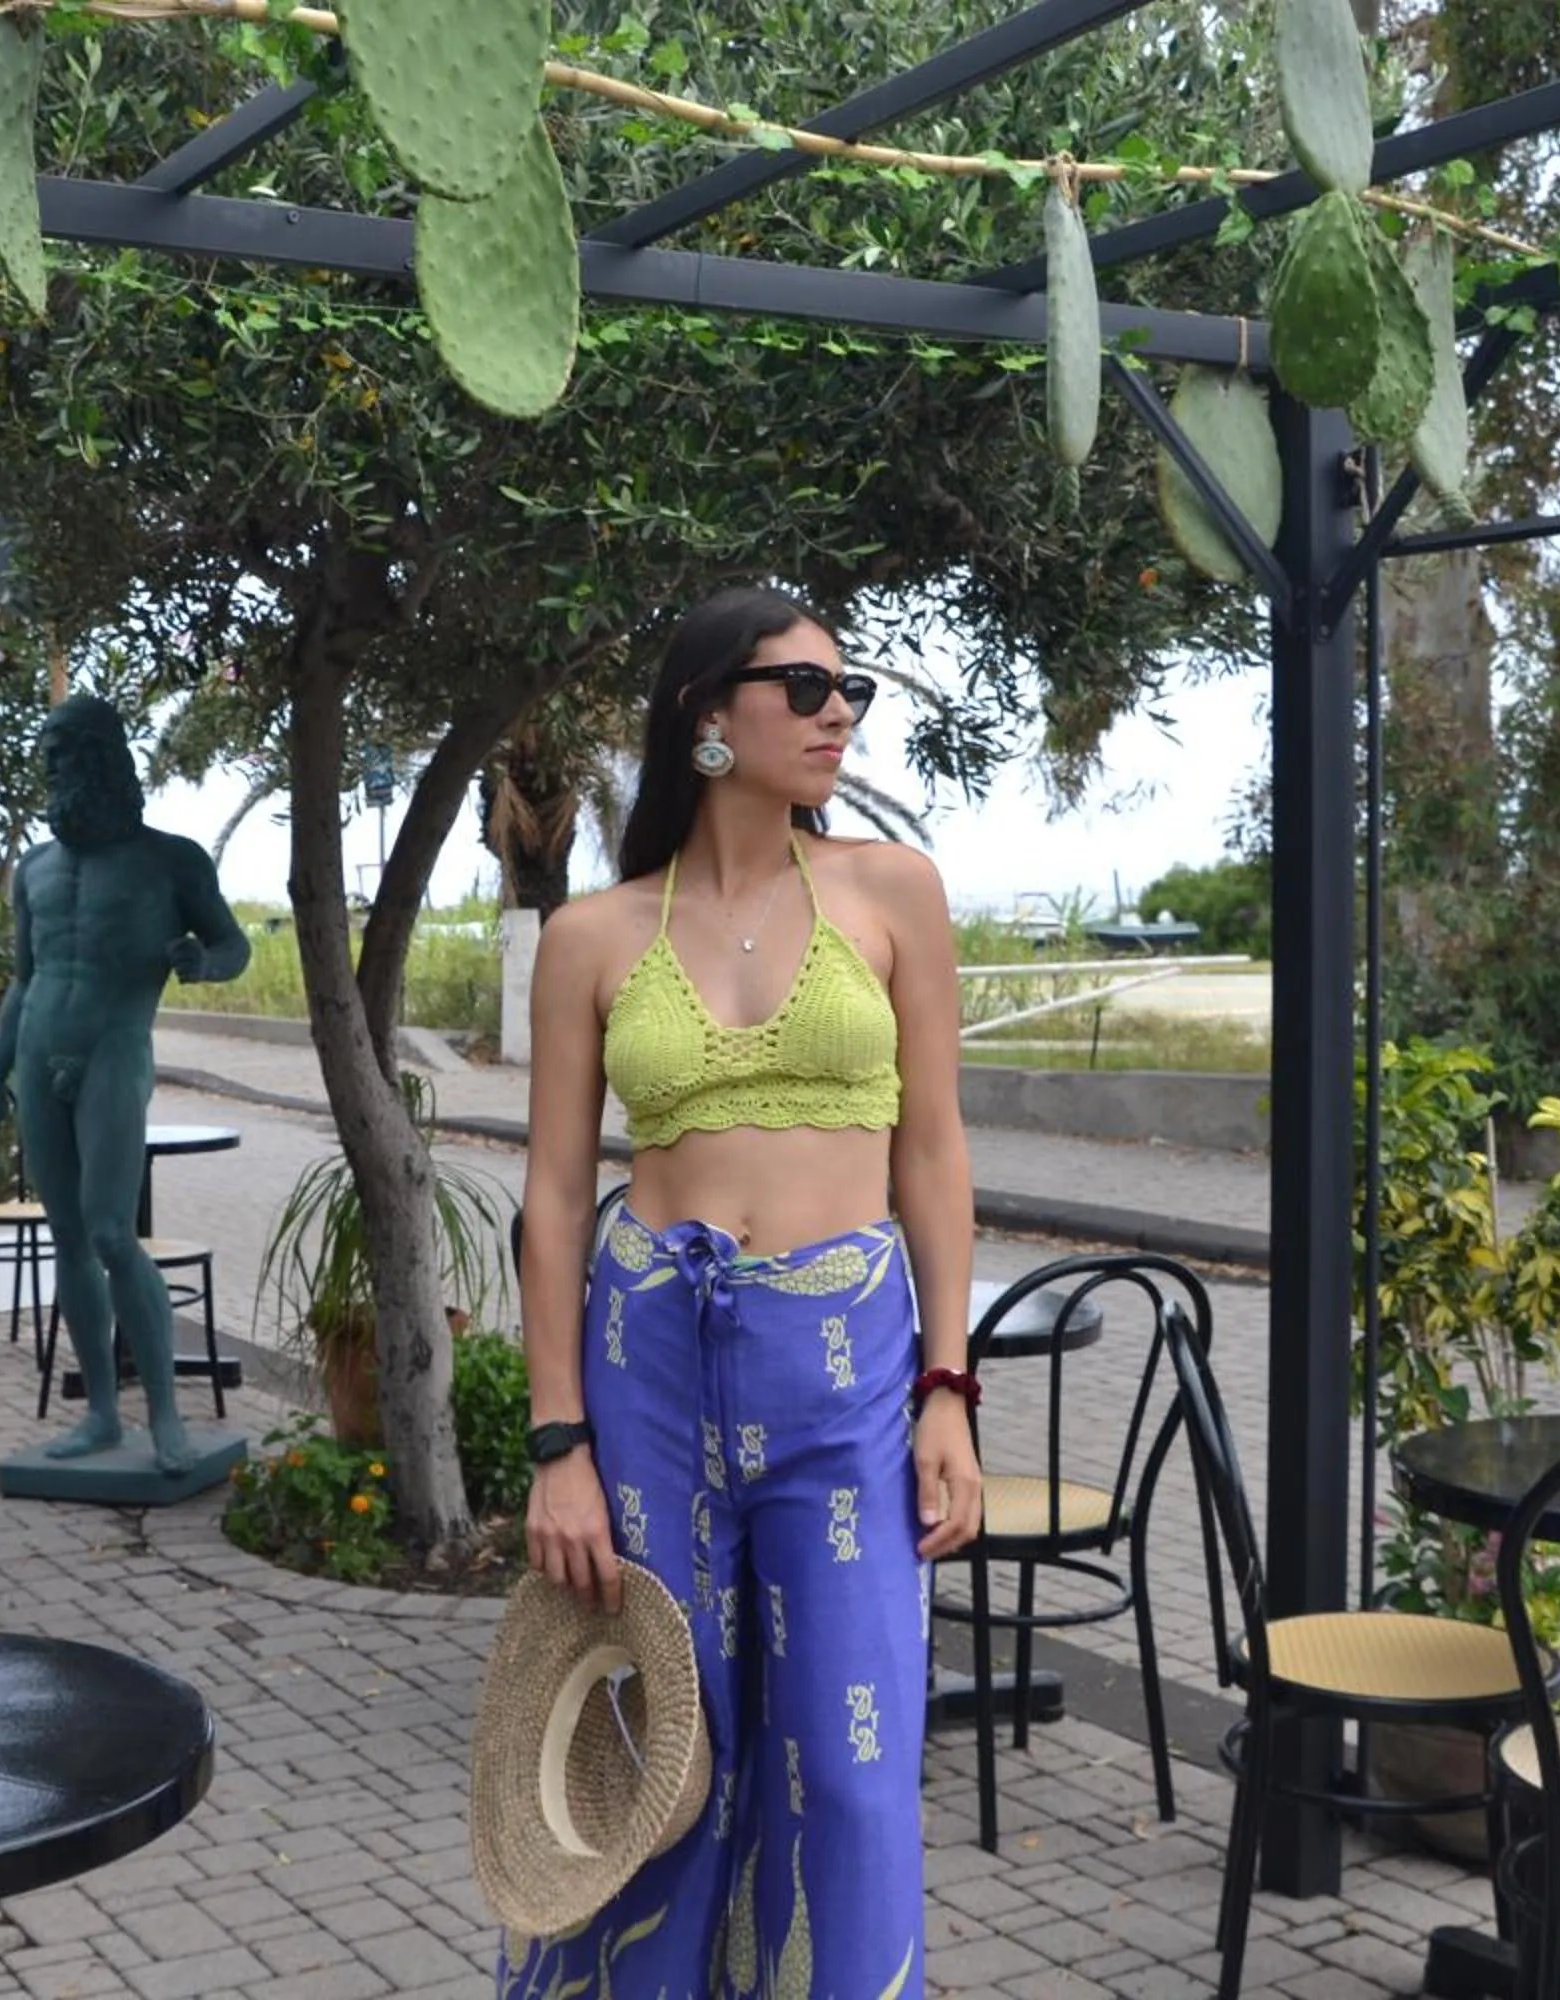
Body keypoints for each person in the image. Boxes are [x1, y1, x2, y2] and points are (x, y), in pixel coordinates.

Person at [500, 585, 980, 2000]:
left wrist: (949, 1384)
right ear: (710, 714)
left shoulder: (895, 892)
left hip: (844, 1372)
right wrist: (556, 1444)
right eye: (807, 688)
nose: (840, 715)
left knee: (851, 1760)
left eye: (851, 693)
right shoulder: (593, 935)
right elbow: (547, 1200)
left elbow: (937, 1151)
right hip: (651, 1364)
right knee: (669, 1754)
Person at [0, 694, 251, 1474]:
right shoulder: (35, 869)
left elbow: (232, 945)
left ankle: (165, 1417)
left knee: (109, 1234)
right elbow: (22, 983)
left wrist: (205, 960)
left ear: (103, 756)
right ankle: (99, 1415)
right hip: (36, 1053)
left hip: (114, 1051)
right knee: (66, 1239)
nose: (52, 767)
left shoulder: (172, 859)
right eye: (46, 755)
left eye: (64, 751)